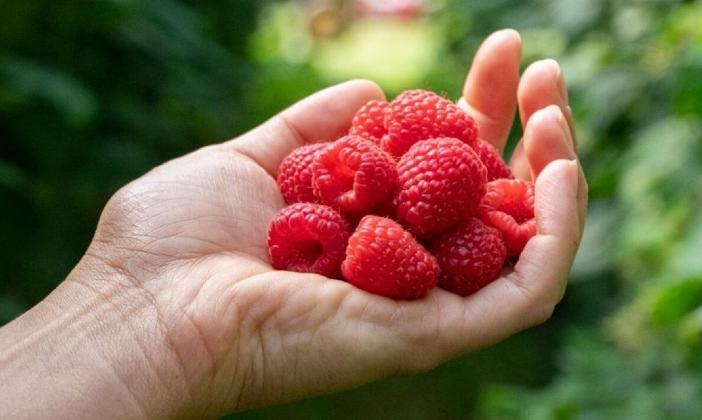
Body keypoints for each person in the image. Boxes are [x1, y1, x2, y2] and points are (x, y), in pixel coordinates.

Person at [0, 29, 586, 419]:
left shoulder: (421, 194)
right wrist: (138, 306)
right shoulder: (358, 198)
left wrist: (484, 215)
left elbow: (427, 199)